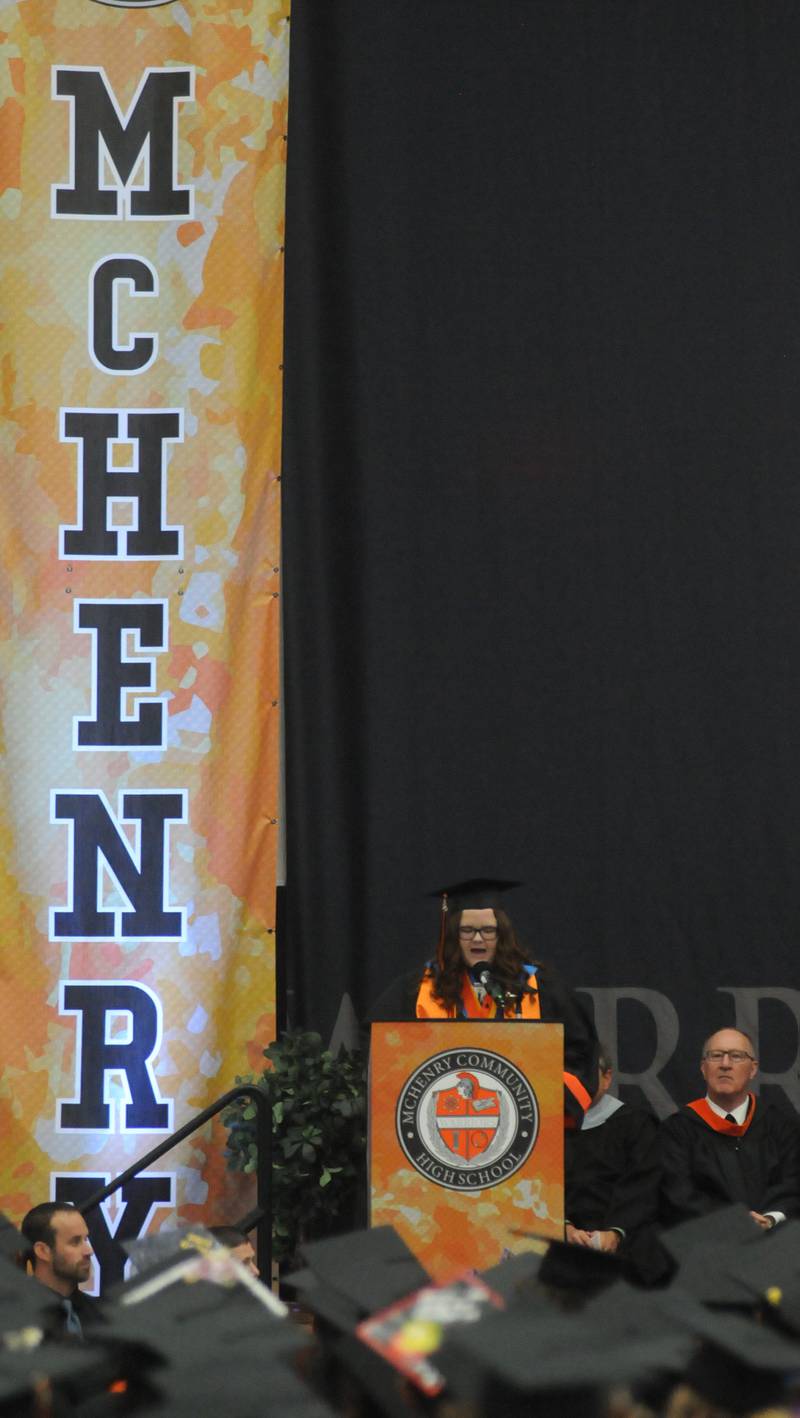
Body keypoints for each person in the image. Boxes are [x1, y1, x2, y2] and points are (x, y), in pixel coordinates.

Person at [369, 878, 599, 1123]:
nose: (478, 939)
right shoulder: (417, 989)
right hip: (437, 1123)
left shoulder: (539, 988)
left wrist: (547, 1095)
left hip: (525, 1126)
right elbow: (380, 1046)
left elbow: (580, 1051)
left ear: (502, 935)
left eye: (488, 930)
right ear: (453, 936)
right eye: (467, 930)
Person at [659, 1027, 800, 1229]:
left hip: (775, 1243)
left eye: (736, 1056)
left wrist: (770, 1218)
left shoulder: (779, 1126)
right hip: (707, 1246)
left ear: (753, 1069)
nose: (725, 1064)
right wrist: (735, 1222)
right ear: (703, 1068)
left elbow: (793, 1185)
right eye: (716, 1056)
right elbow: (678, 1194)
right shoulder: (678, 1130)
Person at [564, 1043, 665, 1282]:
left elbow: (645, 1186)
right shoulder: (543, 1128)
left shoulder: (637, 1124)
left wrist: (615, 1231)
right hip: (559, 1242)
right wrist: (564, 1227)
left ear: (607, 1077)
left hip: (626, 1244)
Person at [20, 1201, 102, 1337]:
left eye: (86, 1239)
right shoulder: (12, 1318)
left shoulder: (101, 1314)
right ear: (42, 1251)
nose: (89, 1250)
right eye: (75, 1242)